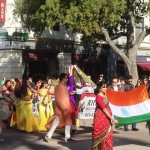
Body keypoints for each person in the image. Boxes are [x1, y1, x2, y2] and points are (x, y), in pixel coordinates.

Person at [45, 73, 75, 143]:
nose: (67, 79)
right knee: (56, 121)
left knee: (68, 122)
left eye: (67, 78)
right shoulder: (58, 87)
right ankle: (48, 135)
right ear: (62, 78)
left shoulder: (64, 86)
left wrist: (70, 94)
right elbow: (58, 98)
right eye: (66, 78)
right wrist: (63, 107)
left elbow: (64, 95)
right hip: (61, 109)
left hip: (66, 108)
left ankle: (67, 137)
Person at [91, 81, 118, 149]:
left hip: (106, 119)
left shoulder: (105, 95)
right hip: (101, 119)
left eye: (106, 86)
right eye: (104, 87)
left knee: (108, 137)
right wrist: (113, 119)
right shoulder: (99, 97)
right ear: (99, 88)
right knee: (101, 136)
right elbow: (104, 109)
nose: (105, 88)